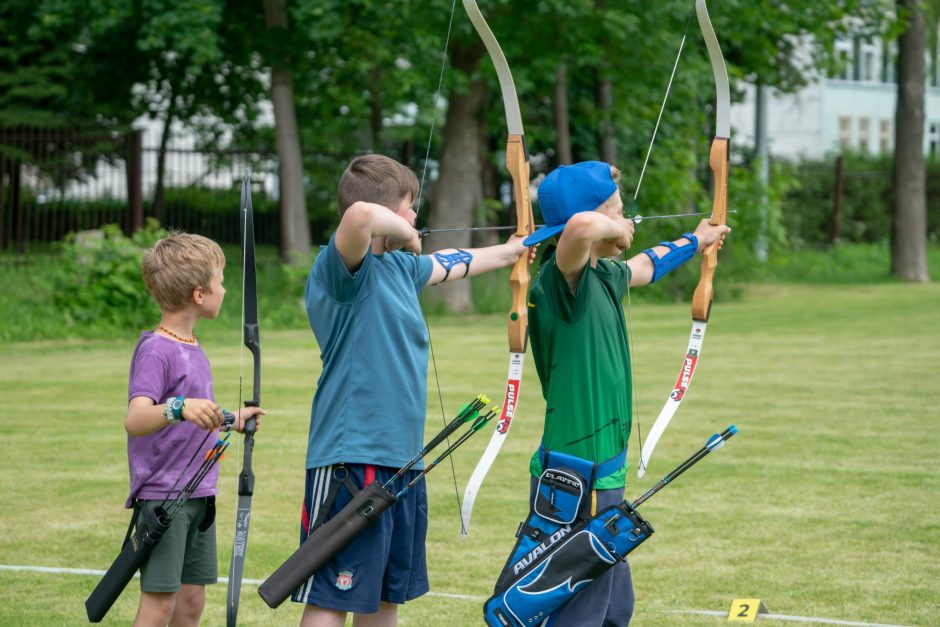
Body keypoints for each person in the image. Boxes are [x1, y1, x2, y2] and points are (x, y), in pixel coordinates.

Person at [294, 154, 533, 627]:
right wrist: (402, 232)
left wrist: (512, 251)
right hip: (352, 457)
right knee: (333, 595)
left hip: (404, 462)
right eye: (411, 207)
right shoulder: (340, 271)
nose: (416, 217)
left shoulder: (404, 272)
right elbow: (359, 217)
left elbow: (456, 262)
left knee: (387, 595)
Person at [521, 161, 730, 626]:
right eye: (617, 210)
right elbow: (578, 227)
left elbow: (645, 265)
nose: (627, 219)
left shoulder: (603, 277)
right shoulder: (562, 281)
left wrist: (698, 240)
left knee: (615, 608)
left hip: (604, 471)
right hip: (575, 475)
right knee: (578, 611)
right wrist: (613, 226)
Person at [124, 232, 265, 626]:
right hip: (164, 497)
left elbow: (193, 413)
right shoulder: (157, 348)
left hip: (198, 493)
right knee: (159, 606)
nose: (224, 288)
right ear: (199, 294)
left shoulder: (191, 345)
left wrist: (230, 419)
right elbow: (137, 419)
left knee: (190, 604)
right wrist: (178, 407)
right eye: (220, 281)